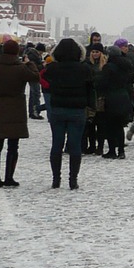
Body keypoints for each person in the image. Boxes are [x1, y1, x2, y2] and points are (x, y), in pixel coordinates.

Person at [41, 38, 95, 190]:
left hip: (58, 109)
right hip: (77, 110)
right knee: (75, 145)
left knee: (56, 144)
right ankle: (73, 180)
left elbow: (44, 77)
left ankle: (56, 179)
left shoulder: (53, 68)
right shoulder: (84, 69)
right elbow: (91, 87)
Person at [0, 39, 40, 188]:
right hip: (16, 108)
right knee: (13, 146)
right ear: (17, 52)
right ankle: (9, 177)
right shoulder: (21, 68)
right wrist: (29, 63)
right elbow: (36, 77)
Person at [96, 45, 134, 159]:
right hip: (124, 97)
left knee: (110, 126)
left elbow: (102, 83)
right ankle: (121, 151)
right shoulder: (127, 65)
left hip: (111, 97)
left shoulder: (109, 67)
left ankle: (112, 151)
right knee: (119, 126)